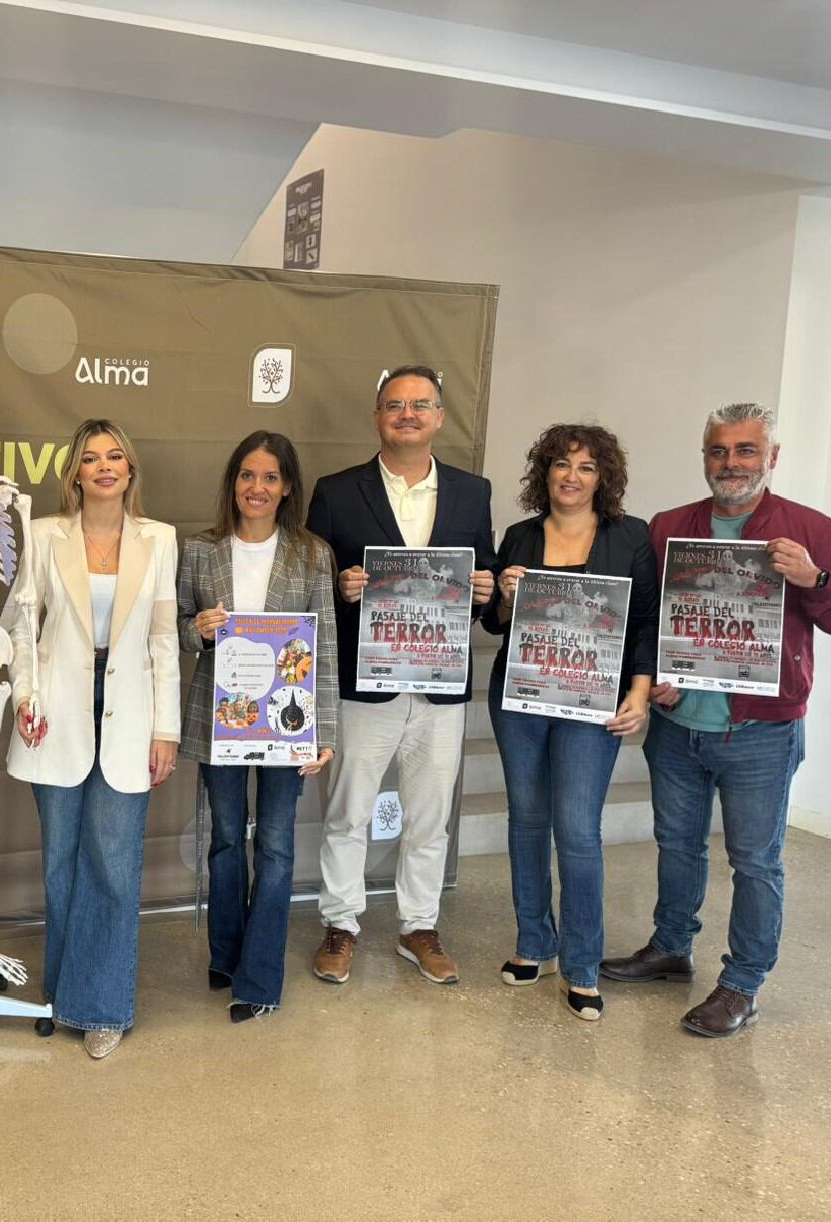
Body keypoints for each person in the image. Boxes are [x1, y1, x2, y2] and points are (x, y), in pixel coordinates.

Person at [602, 403, 831, 1036]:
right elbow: (647, 617)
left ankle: (742, 982)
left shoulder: (808, 527)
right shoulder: (669, 527)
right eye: (719, 451)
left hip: (760, 732)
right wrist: (653, 674)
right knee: (678, 844)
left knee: (755, 861)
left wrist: (815, 577)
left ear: (771, 458)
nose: (731, 463)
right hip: (677, 724)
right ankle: (670, 947)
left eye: (746, 451)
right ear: (705, 457)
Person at [306, 365, 496, 986]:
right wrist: (340, 587)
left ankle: (419, 926)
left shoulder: (474, 492)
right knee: (348, 811)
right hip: (367, 683)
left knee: (429, 815)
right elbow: (313, 591)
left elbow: (483, 585)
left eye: (420, 404)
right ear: (378, 416)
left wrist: (486, 590)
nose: (407, 414)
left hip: (441, 684)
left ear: (440, 417)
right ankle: (341, 923)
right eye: (395, 405)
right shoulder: (337, 491)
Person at [4, 419, 181, 1059]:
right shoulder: (44, 535)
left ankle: (102, 1006)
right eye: (90, 457)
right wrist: (26, 694)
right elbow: (22, 626)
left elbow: (164, 638)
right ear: (74, 472)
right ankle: (64, 993)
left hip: (131, 712)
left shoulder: (159, 540)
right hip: (56, 713)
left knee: (112, 862)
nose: (104, 466)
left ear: (129, 470)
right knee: (59, 866)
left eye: (115, 456)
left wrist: (167, 729)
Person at [484, 424, 657, 1021]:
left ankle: (583, 964)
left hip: (593, 704)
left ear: (602, 477)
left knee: (578, 831)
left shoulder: (629, 536)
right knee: (526, 821)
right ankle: (535, 942)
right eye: (562, 464)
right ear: (545, 472)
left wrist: (638, 692)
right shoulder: (520, 536)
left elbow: (643, 624)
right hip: (519, 697)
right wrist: (506, 594)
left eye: (586, 467)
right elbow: (497, 625)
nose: (572, 476)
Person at [177, 431, 339, 1022]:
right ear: (233, 482)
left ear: (287, 486)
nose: (258, 487)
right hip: (221, 722)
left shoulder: (312, 554)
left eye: (270, 477)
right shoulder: (199, 551)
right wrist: (197, 628)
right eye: (248, 475)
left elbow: (323, 647)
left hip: (286, 726)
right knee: (225, 841)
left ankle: (260, 978)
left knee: (274, 847)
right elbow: (169, 628)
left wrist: (325, 732)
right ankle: (226, 954)